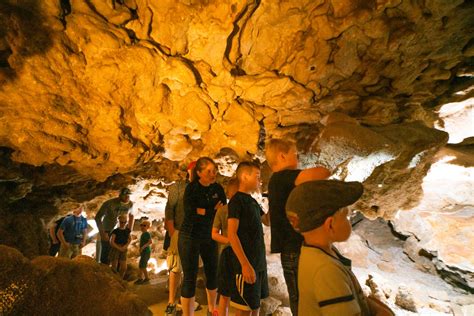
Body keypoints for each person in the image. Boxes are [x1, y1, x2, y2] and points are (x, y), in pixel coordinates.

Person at [285, 180, 394, 316]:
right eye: (346, 216)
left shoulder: (315, 252)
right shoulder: (327, 270)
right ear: (330, 224)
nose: (348, 220)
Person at [265, 138, 330, 315]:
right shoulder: (282, 177)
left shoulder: (275, 183)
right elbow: (322, 173)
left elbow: (269, 218)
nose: (299, 157)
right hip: (296, 249)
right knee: (305, 300)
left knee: (300, 299)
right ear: (282, 156)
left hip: (291, 250)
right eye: (295, 154)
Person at [178, 157, 227, 316]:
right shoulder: (192, 189)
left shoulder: (218, 189)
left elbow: (222, 211)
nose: (213, 174)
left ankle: (212, 310)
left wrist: (204, 211)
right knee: (189, 277)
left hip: (209, 236)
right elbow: (191, 211)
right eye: (209, 171)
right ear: (199, 173)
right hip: (190, 235)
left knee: (213, 274)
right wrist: (211, 211)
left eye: (214, 171)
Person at [227, 162, 269, 316]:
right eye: (257, 176)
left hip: (258, 264)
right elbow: (232, 234)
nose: (260, 180)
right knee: (243, 310)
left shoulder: (252, 201)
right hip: (246, 265)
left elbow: (267, 221)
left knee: (255, 306)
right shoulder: (236, 201)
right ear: (245, 177)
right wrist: (244, 264)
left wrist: (272, 199)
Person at [164, 161, 196, 315]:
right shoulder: (177, 187)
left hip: (196, 234)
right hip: (179, 231)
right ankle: (171, 302)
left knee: (191, 268)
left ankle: (187, 299)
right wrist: (172, 233)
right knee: (176, 267)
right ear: (189, 171)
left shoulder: (204, 189)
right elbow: (169, 210)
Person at [212, 178, 239, 316]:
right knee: (226, 294)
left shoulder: (224, 210)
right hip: (228, 254)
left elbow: (215, 234)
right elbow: (214, 234)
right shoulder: (223, 211)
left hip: (229, 254)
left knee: (225, 294)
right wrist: (231, 240)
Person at [95, 187, 134, 264]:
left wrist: (129, 230)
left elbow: (131, 216)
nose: (127, 197)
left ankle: (115, 272)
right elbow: (98, 218)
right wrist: (102, 233)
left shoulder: (130, 204)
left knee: (118, 253)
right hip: (107, 231)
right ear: (120, 195)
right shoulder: (109, 204)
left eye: (128, 195)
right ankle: (104, 270)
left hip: (120, 231)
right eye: (125, 195)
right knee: (106, 253)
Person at [109, 214, 132, 278]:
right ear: (118, 222)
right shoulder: (115, 231)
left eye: (124, 222)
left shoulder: (127, 230)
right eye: (121, 222)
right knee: (114, 267)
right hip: (116, 248)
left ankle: (120, 279)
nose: (123, 223)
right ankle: (114, 279)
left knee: (124, 267)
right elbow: (112, 241)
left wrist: (125, 246)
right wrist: (119, 248)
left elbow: (130, 239)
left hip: (123, 248)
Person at [135, 220, 152, 285]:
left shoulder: (147, 234)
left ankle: (140, 278)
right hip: (144, 251)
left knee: (142, 265)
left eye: (144, 225)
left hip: (146, 251)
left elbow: (150, 242)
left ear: (148, 227)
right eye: (141, 225)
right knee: (142, 265)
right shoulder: (143, 234)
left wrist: (143, 247)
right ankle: (146, 278)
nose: (142, 226)